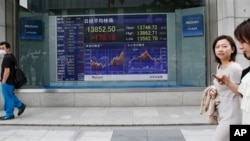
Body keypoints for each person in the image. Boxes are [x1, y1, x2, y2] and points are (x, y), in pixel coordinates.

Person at [210, 35, 242, 141]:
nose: (220, 49)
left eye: (224, 46)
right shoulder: (219, 66)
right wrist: (215, 90)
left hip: (233, 113)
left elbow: (241, 92)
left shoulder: (235, 68)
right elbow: (223, 87)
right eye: (217, 47)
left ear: (232, 49)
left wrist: (227, 82)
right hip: (223, 111)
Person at [218, 18, 250, 124]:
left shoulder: (236, 68)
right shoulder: (246, 73)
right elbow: (243, 93)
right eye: (217, 47)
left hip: (233, 116)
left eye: (243, 41)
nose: (240, 47)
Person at [0, 41, 26, 120]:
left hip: (7, 82)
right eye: (0, 48)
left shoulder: (7, 58)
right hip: (11, 81)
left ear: (8, 48)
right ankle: (20, 105)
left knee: (8, 98)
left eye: (3, 48)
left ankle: (9, 114)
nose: (1, 50)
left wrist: (3, 81)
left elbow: (7, 71)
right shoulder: (12, 56)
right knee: (10, 95)